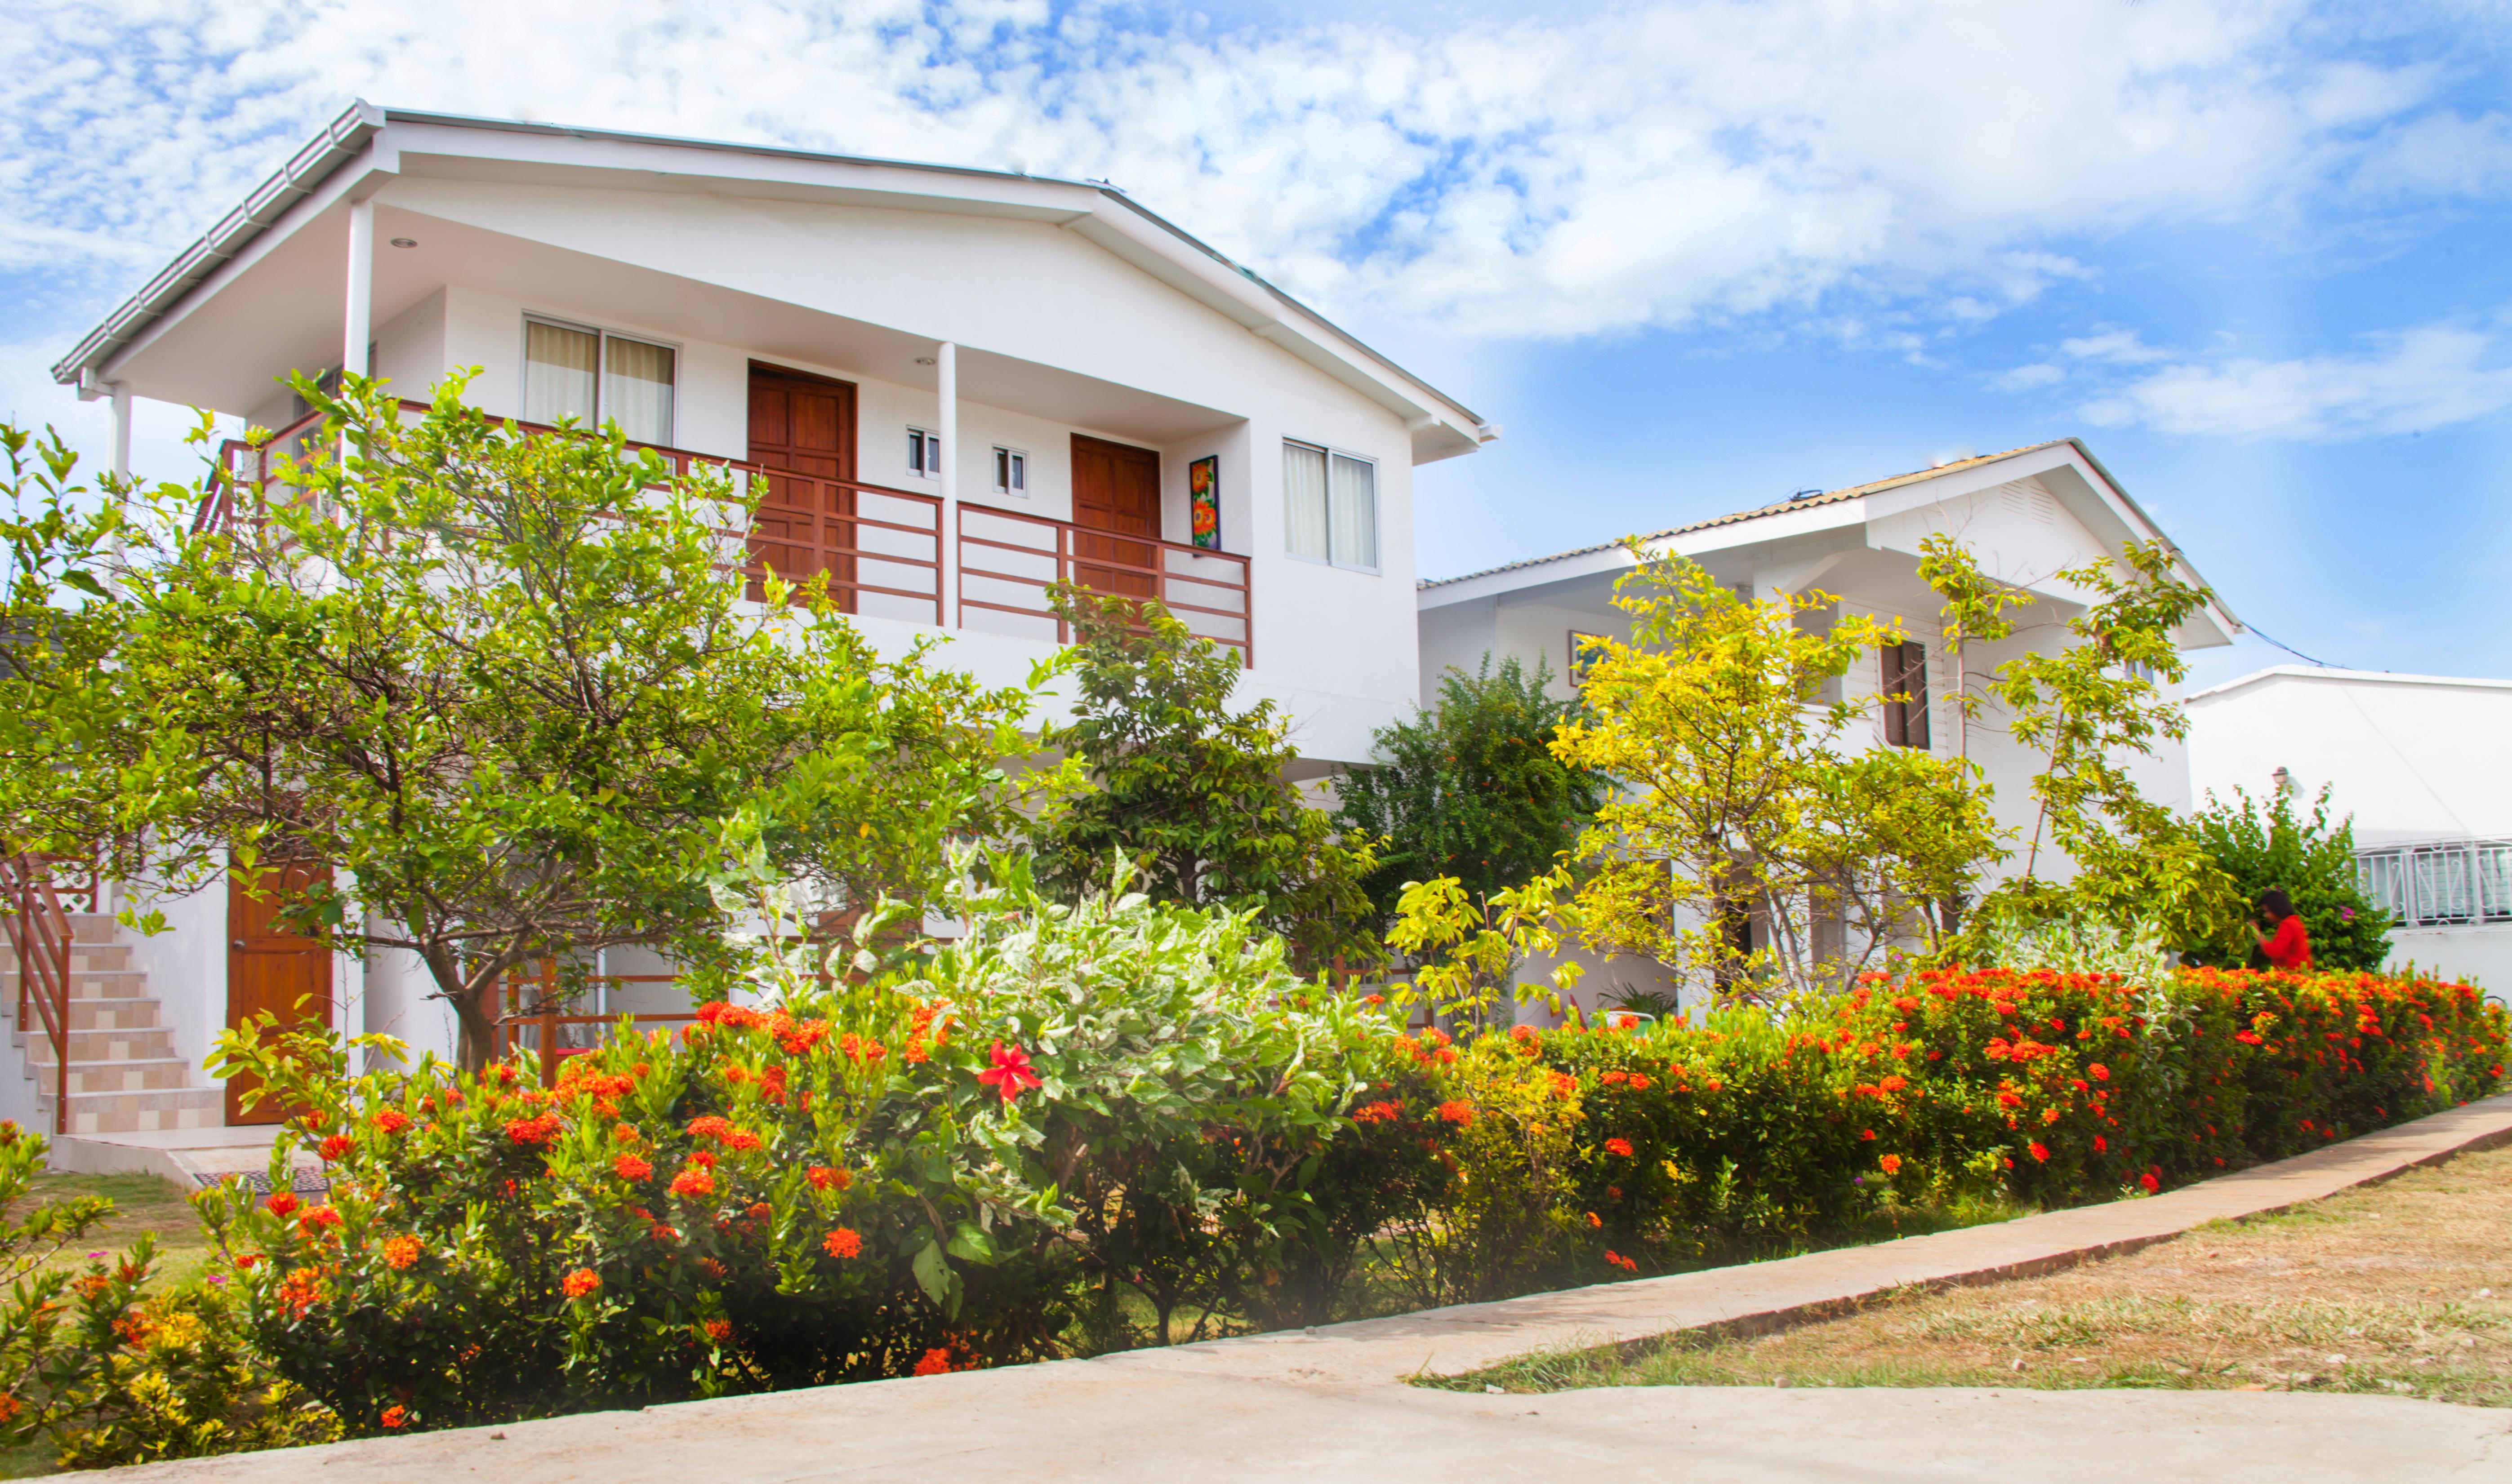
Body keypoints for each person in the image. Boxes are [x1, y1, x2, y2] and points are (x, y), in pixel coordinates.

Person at [2252, 889, 2312, 971]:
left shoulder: (2288, 925)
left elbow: (2275, 952)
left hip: (2292, 976)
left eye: (2266, 911)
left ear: (2276, 909)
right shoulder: (2296, 922)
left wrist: (2257, 933)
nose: (2266, 916)